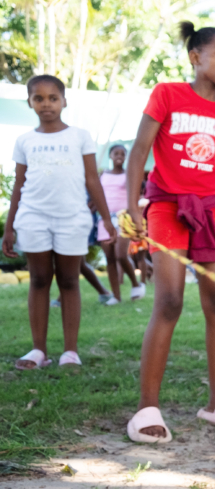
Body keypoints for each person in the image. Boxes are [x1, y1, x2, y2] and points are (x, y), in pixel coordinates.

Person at [124, 22, 215, 443]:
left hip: (211, 210)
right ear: (196, 57)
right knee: (169, 301)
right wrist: (133, 206)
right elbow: (139, 151)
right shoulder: (167, 94)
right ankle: (146, 407)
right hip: (168, 205)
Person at [3, 75, 117, 370]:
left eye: (53, 98)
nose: (46, 104)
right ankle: (38, 350)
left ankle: (70, 351)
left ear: (64, 101)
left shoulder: (80, 136)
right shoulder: (25, 140)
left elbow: (93, 180)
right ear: (30, 102)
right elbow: (19, 184)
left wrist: (106, 219)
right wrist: (9, 226)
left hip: (73, 219)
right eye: (38, 98)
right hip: (33, 218)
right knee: (39, 280)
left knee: (68, 281)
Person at [97, 144, 144, 304]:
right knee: (110, 258)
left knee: (120, 255)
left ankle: (136, 284)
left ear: (126, 157)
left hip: (124, 219)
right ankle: (116, 296)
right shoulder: (103, 174)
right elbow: (98, 196)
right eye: (116, 153)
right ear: (110, 156)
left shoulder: (129, 175)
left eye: (122, 154)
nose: (119, 156)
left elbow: (137, 195)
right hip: (105, 220)